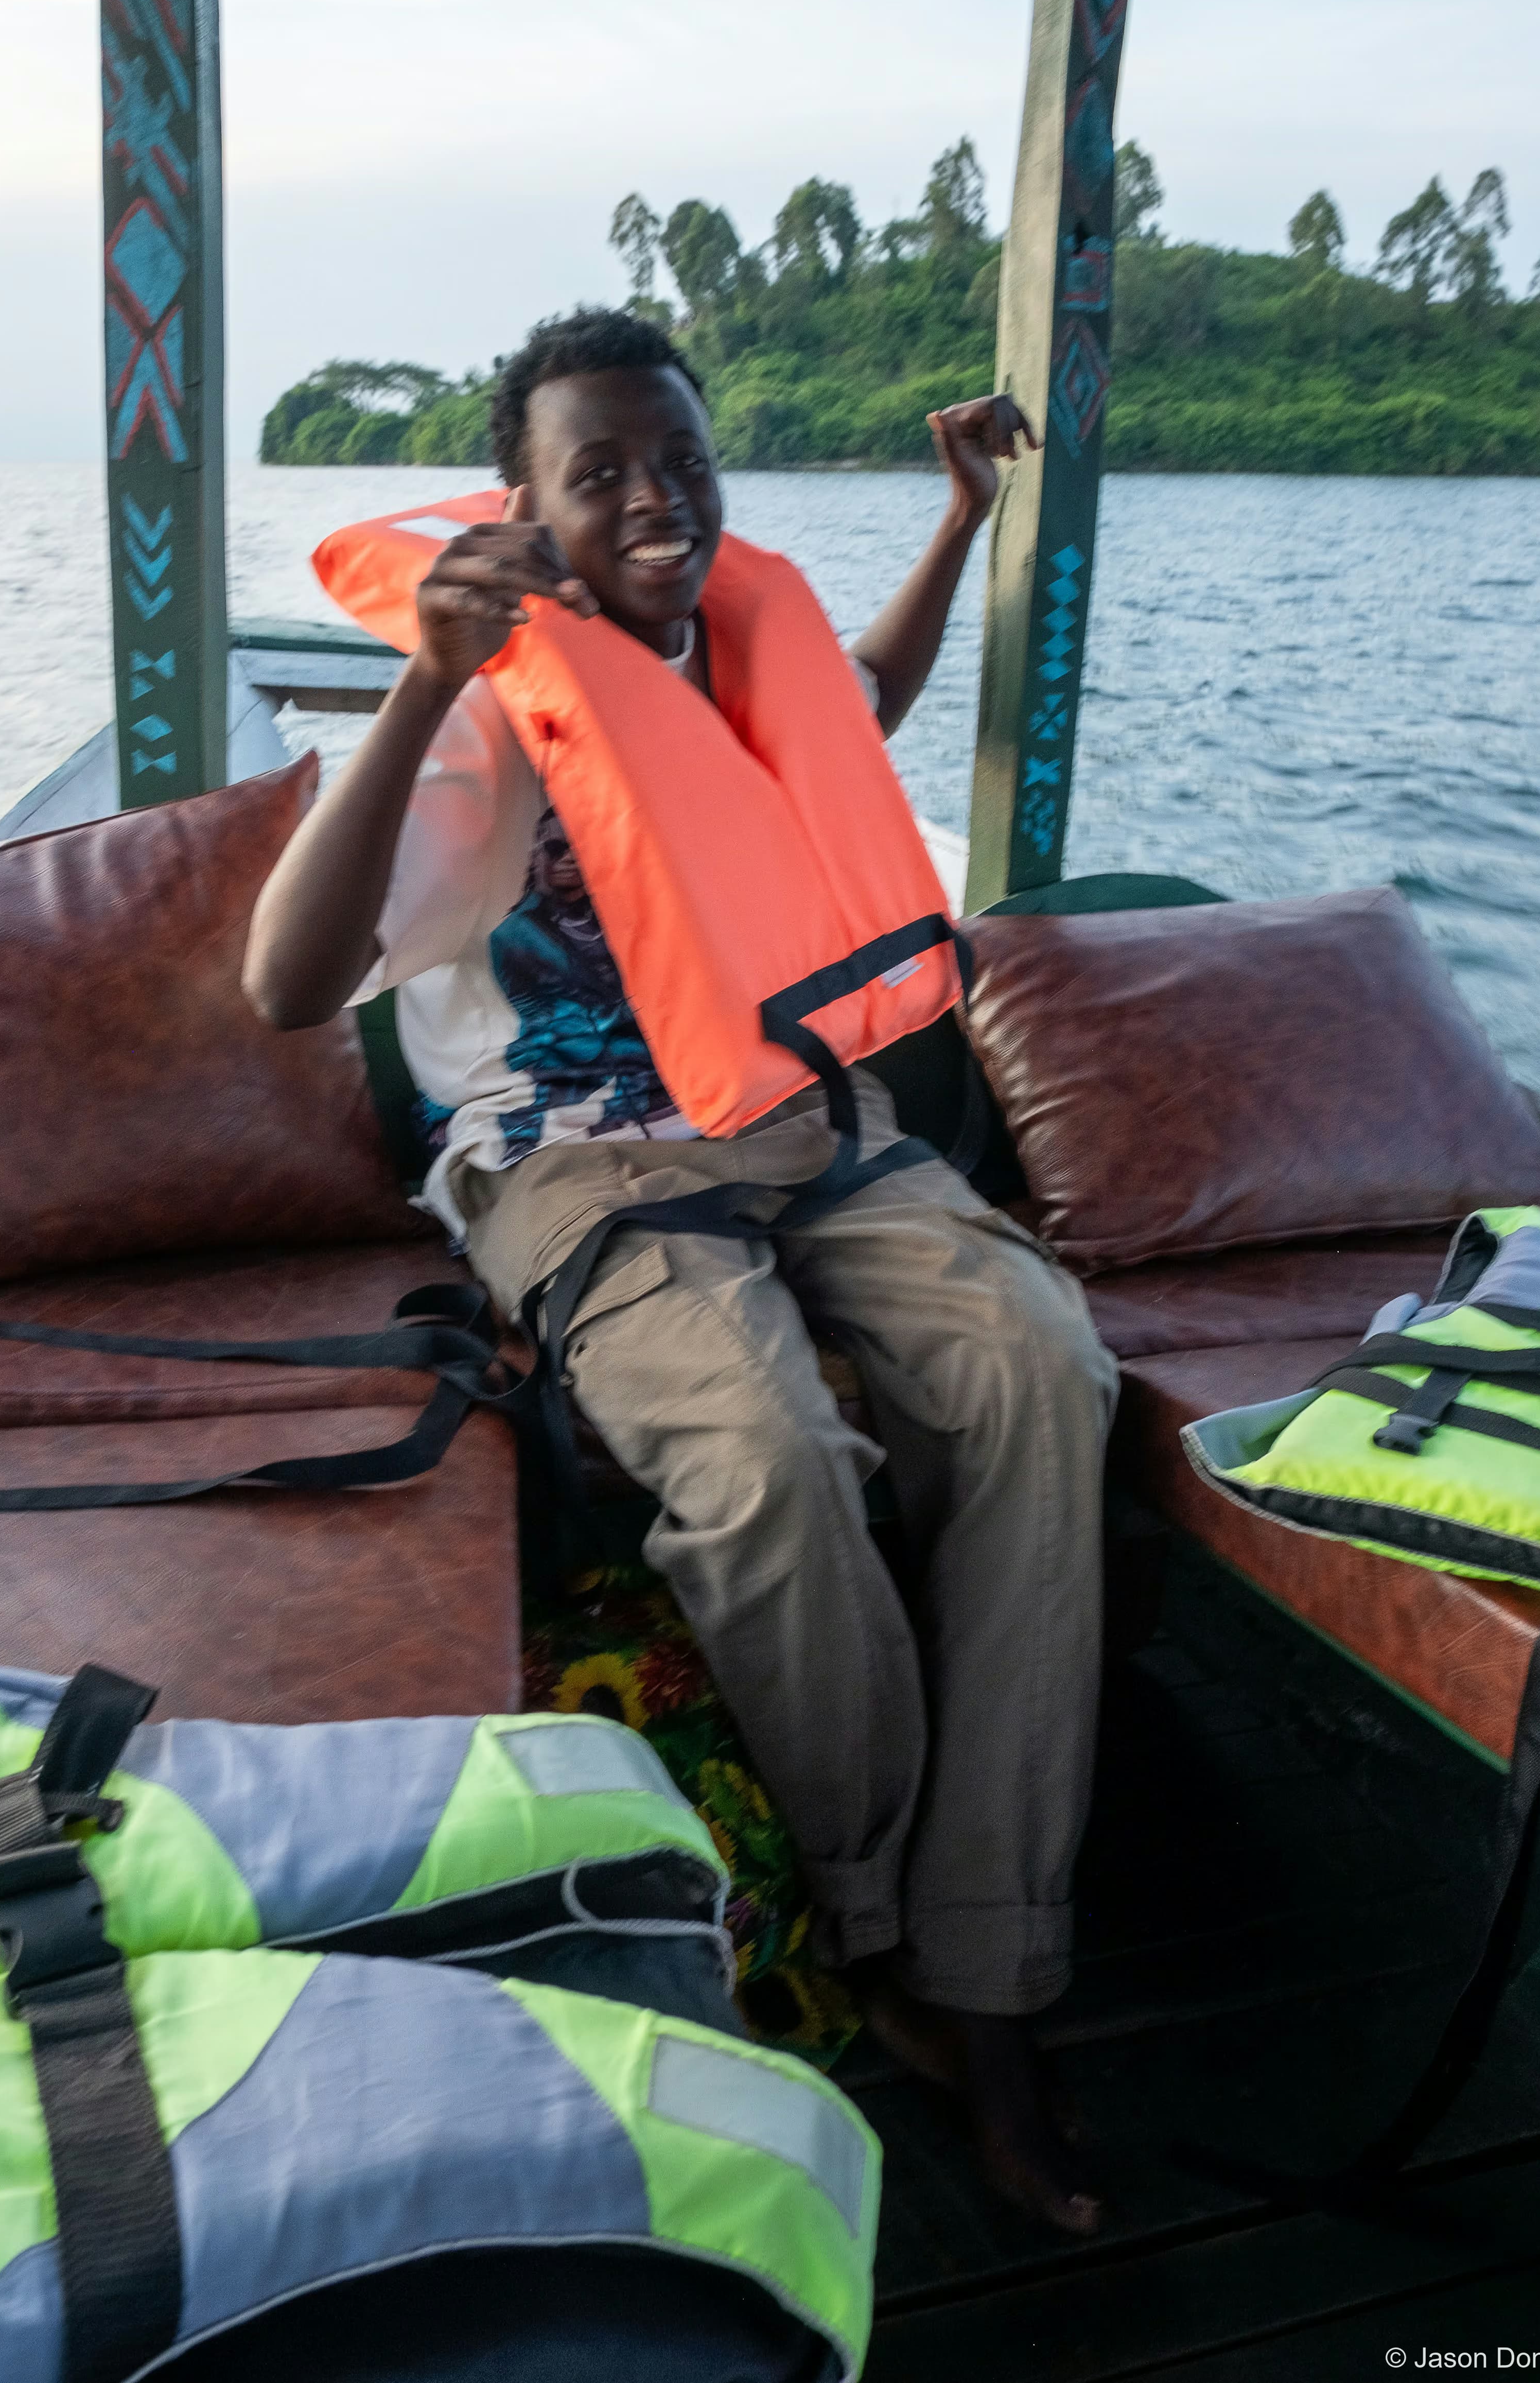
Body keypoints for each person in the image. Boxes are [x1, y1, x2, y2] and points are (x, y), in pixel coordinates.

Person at [243, 308, 1120, 2232]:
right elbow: (289, 982)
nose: (657, 501)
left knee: (1044, 1367)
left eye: (683, 464)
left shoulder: (730, 637)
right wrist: (422, 688)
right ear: (531, 514)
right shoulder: (489, 706)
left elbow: (850, 713)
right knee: (773, 1461)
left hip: (802, 1124)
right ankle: (891, 1933)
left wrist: (961, 518)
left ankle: (991, 1967)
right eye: (602, 475)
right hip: (575, 1161)